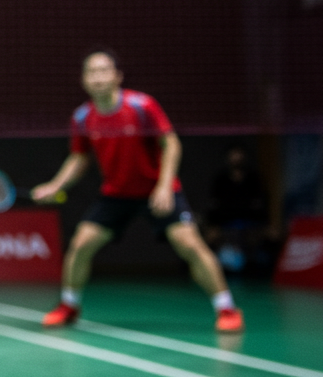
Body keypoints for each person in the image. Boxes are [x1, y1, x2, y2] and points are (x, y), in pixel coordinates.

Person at [32, 50, 242, 333]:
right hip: (116, 194)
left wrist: (165, 186)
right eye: (92, 72)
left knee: (189, 244)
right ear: (83, 80)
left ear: (118, 76)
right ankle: (69, 306)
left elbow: (171, 144)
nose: (98, 77)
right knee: (81, 245)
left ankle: (226, 308)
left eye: (104, 70)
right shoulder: (82, 117)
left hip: (157, 189)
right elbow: (79, 157)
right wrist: (55, 185)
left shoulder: (142, 106)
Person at [204, 143, 272, 275]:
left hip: (250, 220)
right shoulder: (221, 179)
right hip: (225, 220)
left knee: (270, 235)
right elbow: (214, 205)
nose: (236, 158)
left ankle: (261, 271)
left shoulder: (253, 177)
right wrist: (213, 225)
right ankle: (212, 271)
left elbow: (259, 203)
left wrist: (264, 224)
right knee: (210, 237)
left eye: (239, 154)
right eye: (233, 155)